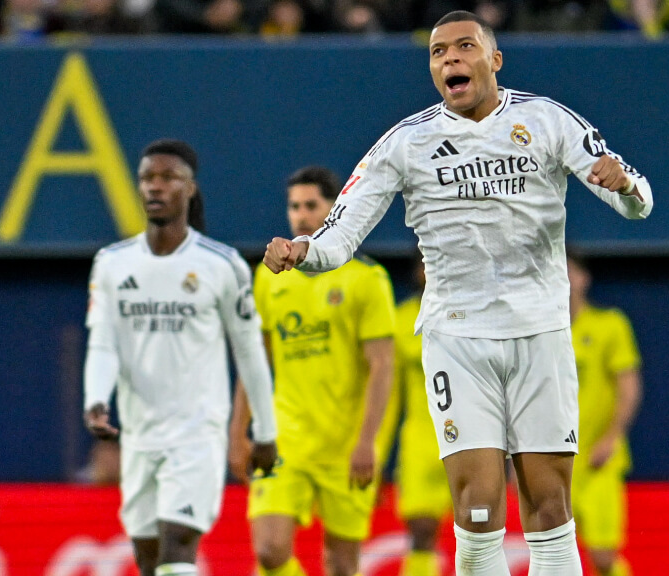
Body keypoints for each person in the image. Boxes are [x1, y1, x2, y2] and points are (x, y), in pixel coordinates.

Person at [263, 10, 653, 576]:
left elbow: (631, 193)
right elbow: (341, 233)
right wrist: (305, 250)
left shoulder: (545, 120)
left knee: (549, 505)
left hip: (539, 332)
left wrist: (628, 189)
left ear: (494, 60)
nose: (450, 58)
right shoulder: (406, 142)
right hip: (458, 337)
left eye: (464, 46)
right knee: (475, 510)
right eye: (437, 51)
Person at [83, 138, 278, 576]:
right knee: (149, 557)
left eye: (168, 177)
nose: (155, 187)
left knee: (178, 543)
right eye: (147, 178)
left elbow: (249, 353)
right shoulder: (112, 264)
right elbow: (102, 342)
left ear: (190, 189)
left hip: (197, 432)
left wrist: (264, 430)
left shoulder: (221, 265)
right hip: (139, 433)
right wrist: (96, 398)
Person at [228, 165, 397, 576]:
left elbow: (382, 367)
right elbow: (255, 362)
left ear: (334, 208)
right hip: (288, 440)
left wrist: (368, 443)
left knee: (341, 564)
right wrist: (237, 433)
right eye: (293, 206)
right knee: (269, 549)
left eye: (311, 205)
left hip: (345, 444)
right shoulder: (268, 281)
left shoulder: (366, 279)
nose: (301, 215)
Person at [566, 251, 643, 576]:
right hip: (555, 460)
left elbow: (629, 388)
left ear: (584, 278)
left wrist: (611, 438)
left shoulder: (609, 325)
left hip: (598, 461)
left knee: (602, 555)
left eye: (570, 272)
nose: (565, 281)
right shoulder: (539, 334)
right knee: (556, 552)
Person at [393, 255, 452, 576]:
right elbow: (389, 395)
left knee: (478, 533)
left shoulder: (472, 313)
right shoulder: (401, 320)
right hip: (420, 440)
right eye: (426, 262)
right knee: (421, 532)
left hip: (471, 437)